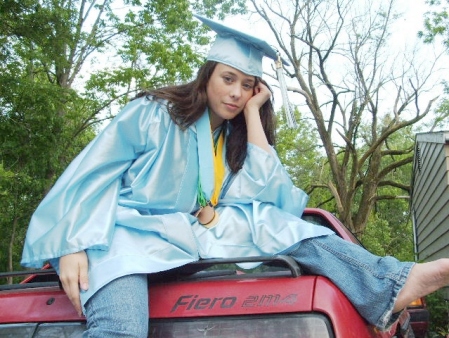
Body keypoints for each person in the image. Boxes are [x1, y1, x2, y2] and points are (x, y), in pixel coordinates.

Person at [21, 14, 449, 338]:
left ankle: (389, 282)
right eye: (229, 80)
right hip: (123, 234)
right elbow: (92, 172)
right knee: (121, 325)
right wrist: (73, 244)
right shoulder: (153, 114)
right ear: (208, 74)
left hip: (185, 232)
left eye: (247, 86)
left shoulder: (231, 137)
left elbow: (271, 193)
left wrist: (252, 114)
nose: (235, 92)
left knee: (275, 223)